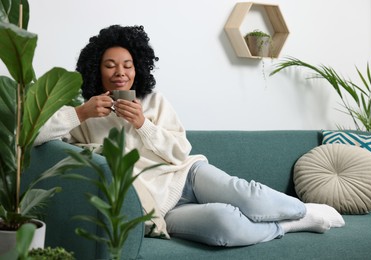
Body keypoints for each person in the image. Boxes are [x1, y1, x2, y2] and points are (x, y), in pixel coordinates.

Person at [34, 25, 344, 247]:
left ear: (137, 68)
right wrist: (81, 113)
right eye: (110, 65)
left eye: (128, 65)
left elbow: (181, 152)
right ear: (96, 70)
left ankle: (304, 211)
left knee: (248, 196)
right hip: (161, 210)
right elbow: (32, 137)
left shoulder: (153, 101)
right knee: (226, 226)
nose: (120, 72)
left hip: (186, 175)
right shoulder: (82, 113)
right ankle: (288, 225)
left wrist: (144, 124)